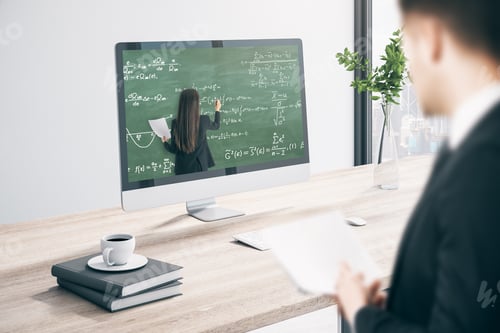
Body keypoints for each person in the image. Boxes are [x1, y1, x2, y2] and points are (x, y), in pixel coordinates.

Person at [335, 0, 500, 332]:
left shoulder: (480, 166)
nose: (408, 66)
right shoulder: (475, 139)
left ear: (432, 38)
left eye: (408, 41)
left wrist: (362, 315)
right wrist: (392, 315)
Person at [162, 89, 221, 175]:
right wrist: (217, 110)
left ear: (181, 104)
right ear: (196, 104)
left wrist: (165, 143)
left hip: (181, 169)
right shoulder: (204, 120)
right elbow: (216, 125)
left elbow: (174, 149)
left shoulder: (175, 123)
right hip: (199, 167)